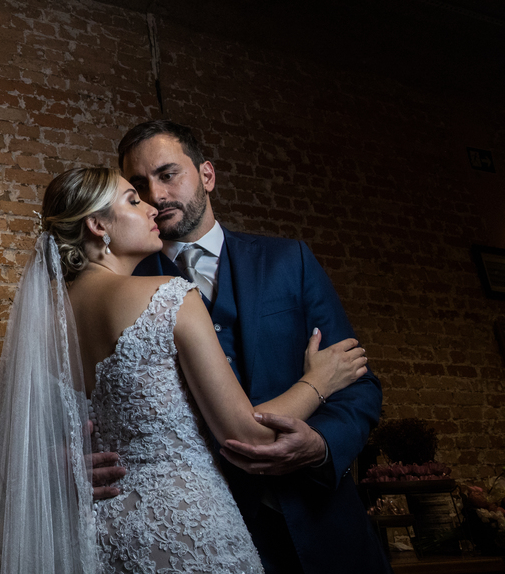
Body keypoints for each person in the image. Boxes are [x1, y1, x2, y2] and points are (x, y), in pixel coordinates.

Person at [0, 166, 368, 574]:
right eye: (133, 199)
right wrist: (319, 381)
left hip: (99, 539)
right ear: (98, 225)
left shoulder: (44, 327)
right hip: (186, 535)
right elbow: (248, 436)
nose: (151, 207)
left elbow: (31, 444)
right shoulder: (168, 298)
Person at [108, 119, 391, 574]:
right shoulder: (121, 287)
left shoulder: (290, 261)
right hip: (201, 535)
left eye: (168, 174)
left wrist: (320, 444)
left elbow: (356, 381)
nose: (156, 196)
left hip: (322, 520)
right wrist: (75, 460)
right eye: (139, 186)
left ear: (207, 175)